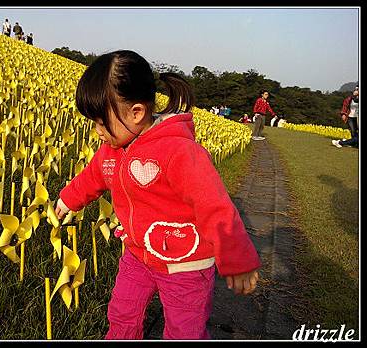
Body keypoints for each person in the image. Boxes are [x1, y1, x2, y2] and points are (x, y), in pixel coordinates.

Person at [53, 50, 261, 340]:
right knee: (122, 311)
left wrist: (237, 259)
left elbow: (214, 205)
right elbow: (95, 175)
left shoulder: (179, 151)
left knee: (183, 329)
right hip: (138, 254)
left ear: (136, 112)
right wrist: (68, 198)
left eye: (102, 123)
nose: (97, 131)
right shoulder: (112, 149)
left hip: (185, 263)